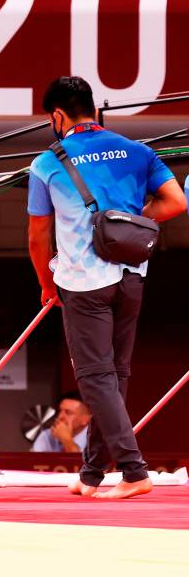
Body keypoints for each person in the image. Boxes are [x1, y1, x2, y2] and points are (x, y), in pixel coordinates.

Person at [28, 76, 186, 499]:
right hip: (132, 275)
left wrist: (46, 284)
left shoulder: (47, 163)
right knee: (115, 375)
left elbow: (37, 237)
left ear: (58, 116)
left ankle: (134, 472)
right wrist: (128, 225)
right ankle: (93, 472)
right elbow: (175, 202)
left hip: (83, 280)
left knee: (96, 378)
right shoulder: (140, 151)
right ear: (93, 110)